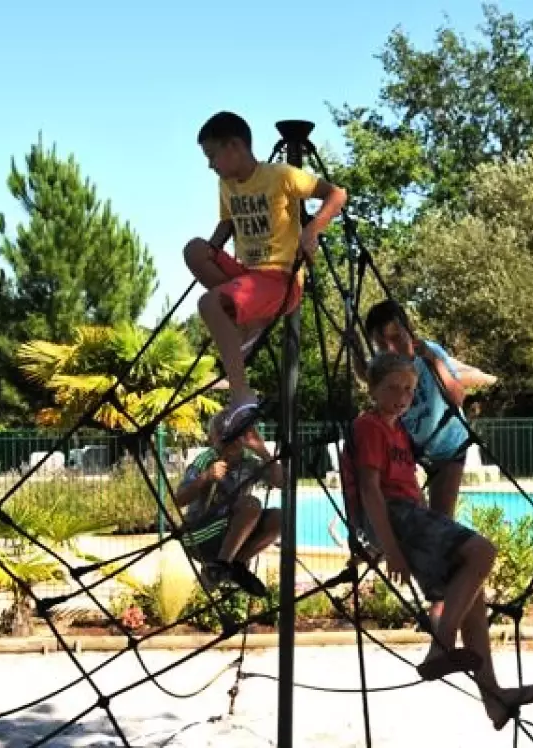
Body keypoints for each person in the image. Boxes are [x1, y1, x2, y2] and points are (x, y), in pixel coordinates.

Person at [342, 352, 533, 731]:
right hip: (393, 516)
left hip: (409, 515)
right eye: (393, 388)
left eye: (409, 390)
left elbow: (409, 488)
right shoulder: (368, 427)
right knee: (482, 551)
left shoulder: (399, 431)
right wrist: (389, 548)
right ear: (373, 389)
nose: (402, 397)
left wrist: (428, 521)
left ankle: (494, 699)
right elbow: (370, 490)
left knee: (472, 597)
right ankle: (441, 643)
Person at [183, 111, 347, 426]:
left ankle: (241, 394)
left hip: (280, 279)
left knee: (209, 304)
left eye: (212, 155)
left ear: (234, 146)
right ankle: (247, 322)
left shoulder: (280, 175)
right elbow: (228, 222)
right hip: (247, 276)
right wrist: (211, 251)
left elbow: (337, 193)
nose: (210, 165)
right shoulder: (226, 183)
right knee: (194, 249)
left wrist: (312, 230)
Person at [350, 299, 469, 628]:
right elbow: (368, 376)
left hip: (448, 447)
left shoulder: (429, 352)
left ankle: (440, 609)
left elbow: (457, 397)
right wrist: (355, 346)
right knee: (411, 516)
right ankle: (382, 547)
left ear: (409, 331)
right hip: (415, 450)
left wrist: (433, 361)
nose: (391, 347)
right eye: (381, 343)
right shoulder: (386, 364)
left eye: (396, 337)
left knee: (441, 523)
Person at [175, 407, 284, 596]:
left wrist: (263, 452)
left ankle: (234, 566)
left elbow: (281, 482)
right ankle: (220, 567)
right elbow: (179, 499)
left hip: (230, 533)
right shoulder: (206, 460)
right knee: (251, 504)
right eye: (226, 437)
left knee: (279, 518)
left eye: (237, 435)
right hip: (200, 535)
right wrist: (206, 477)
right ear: (214, 439)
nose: (232, 442)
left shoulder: (249, 461)